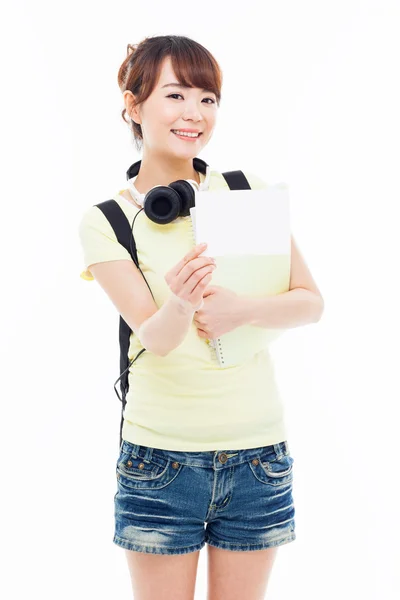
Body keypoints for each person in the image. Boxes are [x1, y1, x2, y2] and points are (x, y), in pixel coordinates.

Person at [78, 34, 324, 600]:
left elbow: (310, 301)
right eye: (176, 95)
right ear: (134, 106)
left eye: (207, 98)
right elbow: (156, 339)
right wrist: (182, 302)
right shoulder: (108, 220)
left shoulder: (245, 193)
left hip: (258, 458)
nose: (194, 113)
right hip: (159, 463)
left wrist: (244, 311)